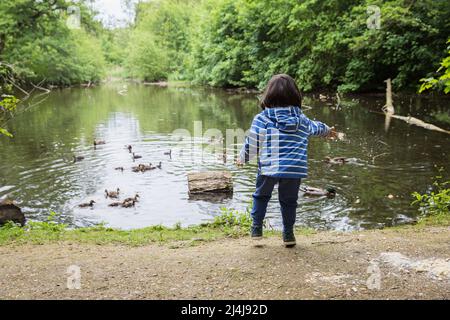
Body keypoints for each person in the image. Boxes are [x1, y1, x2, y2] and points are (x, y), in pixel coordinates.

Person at [237, 74, 337, 247]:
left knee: (261, 196)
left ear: (268, 96)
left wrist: (242, 158)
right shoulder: (302, 120)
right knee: (289, 201)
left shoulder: (262, 118)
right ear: (295, 96)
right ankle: (288, 234)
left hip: (269, 168)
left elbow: (252, 144)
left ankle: (256, 229)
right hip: (294, 169)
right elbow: (317, 127)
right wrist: (328, 131)